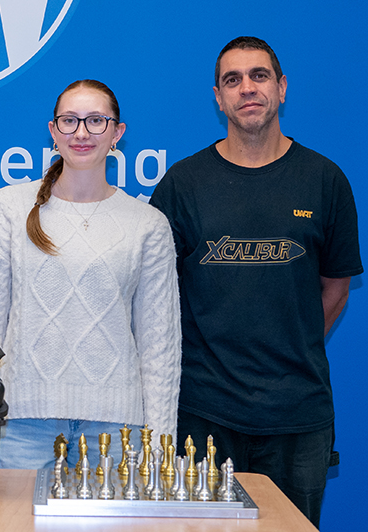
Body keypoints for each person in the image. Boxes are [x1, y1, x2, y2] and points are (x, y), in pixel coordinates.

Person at [150, 36, 363, 527]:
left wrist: (291, 348)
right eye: (233, 80)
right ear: (218, 96)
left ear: (282, 88)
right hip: (202, 415)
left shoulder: (325, 180)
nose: (247, 88)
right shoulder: (183, 185)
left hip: (298, 415)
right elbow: (156, 293)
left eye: (259, 76)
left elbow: (335, 288)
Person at [0, 80, 181, 468]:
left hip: (118, 433)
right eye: (69, 121)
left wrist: (160, 447)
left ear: (118, 132)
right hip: (18, 426)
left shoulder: (148, 224)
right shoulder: (8, 208)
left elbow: (159, 349)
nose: (81, 132)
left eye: (96, 120)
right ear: (53, 131)